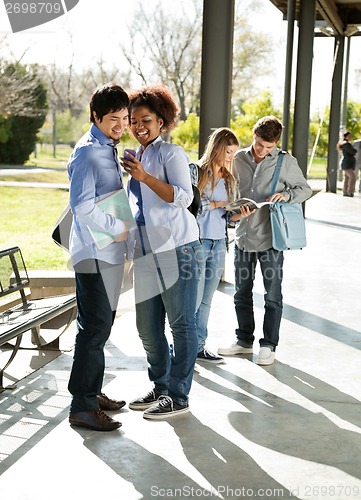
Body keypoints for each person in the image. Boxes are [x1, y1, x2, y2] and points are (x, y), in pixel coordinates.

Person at [121, 84, 202, 419]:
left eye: (146, 120)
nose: (139, 126)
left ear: (161, 121)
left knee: (181, 325)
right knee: (147, 328)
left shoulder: (172, 154)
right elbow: (137, 209)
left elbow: (184, 197)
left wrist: (145, 177)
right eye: (134, 120)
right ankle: (162, 386)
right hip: (146, 253)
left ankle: (179, 396)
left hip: (178, 249)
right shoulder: (135, 156)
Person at [218, 116, 312, 366]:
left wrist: (286, 194)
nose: (262, 150)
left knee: (272, 295)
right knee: (241, 292)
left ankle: (269, 345)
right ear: (254, 135)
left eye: (268, 147)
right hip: (243, 236)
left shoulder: (286, 162)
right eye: (259, 144)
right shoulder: (238, 159)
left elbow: (305, 189)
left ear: (275, 144)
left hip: (271, 238)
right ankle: (243, 340)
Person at [67, 82, 131, 431]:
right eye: (112, 119)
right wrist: (116, 227)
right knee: (94, 328)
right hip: (94, 252)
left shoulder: (106, 147)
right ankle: (83, 406)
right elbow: (81, 206)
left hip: (108, 251)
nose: (120, 126)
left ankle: (91, 391)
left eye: (124, 118)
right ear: (96, 116)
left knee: (101, 325)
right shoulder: (90, 152)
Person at [189, 128, 239, 364]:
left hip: (219, 243)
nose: (230, 157)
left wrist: (239, 214)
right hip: (197, 242)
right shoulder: (196, 171)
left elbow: (227, 216)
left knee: (207, 299)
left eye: (233, 153)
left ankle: (199, 347)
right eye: (228, 152)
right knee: (193, 299)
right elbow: (190, 204)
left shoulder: (229, 179)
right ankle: (181, 346)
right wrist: (219, 203)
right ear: (217, 147)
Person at [337, 131, 357, 197]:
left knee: (347, 178)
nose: (350, 137)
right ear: (346, 136)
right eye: (349, 136)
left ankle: (345, 192)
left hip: (348, 164)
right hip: (347, 164)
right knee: (352, 177)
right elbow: (352, 152)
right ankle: (350, 191)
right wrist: (354, 150)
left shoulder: (346, 144)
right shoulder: (346, 144)